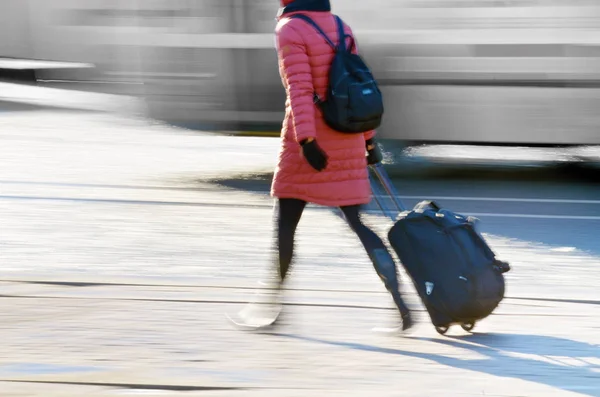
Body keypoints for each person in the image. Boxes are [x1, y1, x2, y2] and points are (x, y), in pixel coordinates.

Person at [236, 0, 413, 333]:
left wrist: (306, 141)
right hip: (347, 138)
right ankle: (402, 305)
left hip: (311, 141)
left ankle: (272, 309)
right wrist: (368, 140)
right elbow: (358, 87)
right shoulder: (340, 25)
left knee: (285, 226)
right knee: (359, 224)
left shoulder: (289, 29)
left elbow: (299, 90)